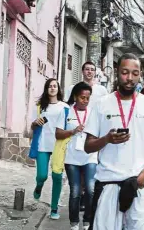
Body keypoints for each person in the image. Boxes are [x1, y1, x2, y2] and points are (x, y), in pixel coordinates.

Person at [84, 53, 144, 230]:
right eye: (125, 72)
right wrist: (107, 139)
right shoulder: (101, 104)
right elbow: (88, 146)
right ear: (117, 73)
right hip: (107, 184)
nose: (129, 78)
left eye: (135, 73)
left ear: (140, 74)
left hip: (138, 185)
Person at [56, 82, 98, 230]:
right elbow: (58, 133)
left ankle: (87, 221)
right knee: (75, 190)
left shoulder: (93, 112)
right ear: (75, 96)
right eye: (82, 97)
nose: (85, 101)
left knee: (91, 189)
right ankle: (74, 222)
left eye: (87, 98)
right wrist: (73, 131)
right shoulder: (66, 112)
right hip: (72, 158)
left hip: (90, 157)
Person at [30, 78, 69, 220]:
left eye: (55, 86)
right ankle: (39, 186)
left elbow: (67, 126)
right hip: (42, 144)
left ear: (58, 89)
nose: (52, 88)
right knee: (42, 175)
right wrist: (35, 122)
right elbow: (32, 127)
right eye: (50, 86)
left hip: (58, 145)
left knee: (57, 176)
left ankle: (54, 208)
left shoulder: (64, 107)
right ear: (46, 89)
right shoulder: (40, 106)